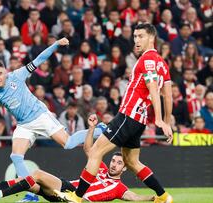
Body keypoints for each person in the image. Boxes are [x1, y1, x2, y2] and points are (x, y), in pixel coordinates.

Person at [0, 38, 106, 200]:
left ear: (5, 72)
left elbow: (38, 60)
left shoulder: (17, 75)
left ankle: (99, 130)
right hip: (24, 124)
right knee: (16, 157)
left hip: (40, 115)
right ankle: (30, 195)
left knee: (68, 144)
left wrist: (55, 44)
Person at [57, 23, 174, 203]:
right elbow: (167, 94)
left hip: (128, 115)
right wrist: (167, 121)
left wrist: (159, 119)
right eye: (134, 36)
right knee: (132, 163)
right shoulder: (163, 64)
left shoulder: (147, 60)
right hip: (139, 120)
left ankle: (77, 196)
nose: (136, 40)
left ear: (151, 38)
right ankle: (164, 197)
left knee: (95, 152)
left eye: (141, 36)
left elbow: (153, 87)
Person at [0, 115, 154, 202]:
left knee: (36, 174)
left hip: (77, 198)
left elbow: (135, 198)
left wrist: (153, 198)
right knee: (27, 180)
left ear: (124, 169)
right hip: (66, 191)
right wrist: (91, 129)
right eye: (113, 160)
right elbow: (88, 149)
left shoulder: (120, 188)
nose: (114, 164)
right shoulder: (102, 169)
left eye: (119, 163)